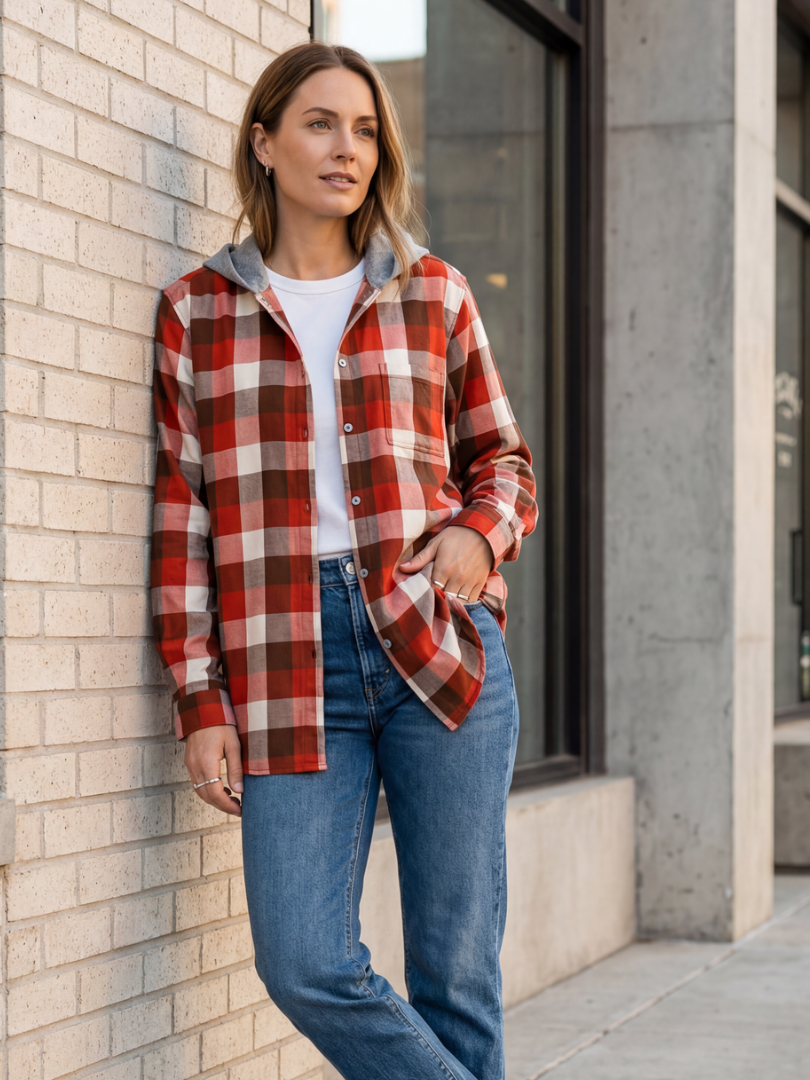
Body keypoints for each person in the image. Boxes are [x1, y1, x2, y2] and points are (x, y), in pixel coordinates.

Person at [151, 39, 537, 1080]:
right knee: (305, 958)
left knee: (456, 970)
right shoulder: (198, 313)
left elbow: (503, 458)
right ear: (265, 142)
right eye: (320, 123)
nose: (347, 148)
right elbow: (183, 517)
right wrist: (199, 700)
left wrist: (476, 531)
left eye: (365, 129)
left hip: (437, 644)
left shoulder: (434, 293)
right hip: (283, 661)